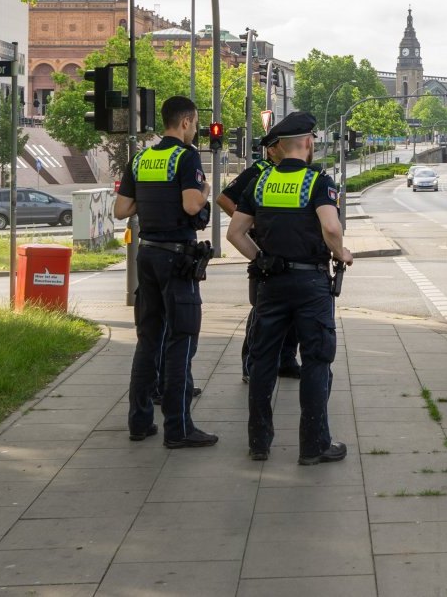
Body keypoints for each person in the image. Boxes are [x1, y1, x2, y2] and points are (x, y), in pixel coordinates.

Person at [227, 111, 354, 465]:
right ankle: (314, 446)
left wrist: (262, 258)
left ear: (279, 149)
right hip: (310, 284)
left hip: (271, 283)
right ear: (309, 143)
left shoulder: (261, 183)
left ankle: (259, 443)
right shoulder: (318, 182)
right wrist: (340, 251)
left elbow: (234, 233)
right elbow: (330, 227)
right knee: (316, 360)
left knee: (263, 361)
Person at [115, 96, 218, 449]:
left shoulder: (142, 158)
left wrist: (152, 200)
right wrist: (204, 189)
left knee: (148, 339)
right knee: (181, 339)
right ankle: (179, 427)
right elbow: (192, 205)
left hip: (147, 255)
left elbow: (121, 208)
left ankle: (140, 422)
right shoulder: (186, 157)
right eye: (195, 124)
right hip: (177, 258)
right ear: (186, 122)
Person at [217, 134, 301, 381]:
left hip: (292, 248)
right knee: (262, 311)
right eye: (285, 145)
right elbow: (224, 198)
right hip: (265, 249)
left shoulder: (296, 172)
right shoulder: (259, 171)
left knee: (294, 310)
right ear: (272, 150)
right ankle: (250, 365)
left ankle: (286, 360)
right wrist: (249, 220)